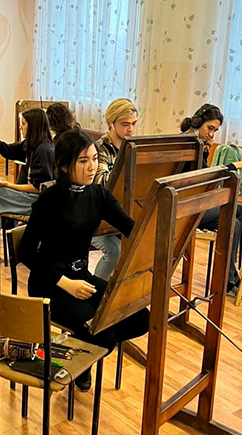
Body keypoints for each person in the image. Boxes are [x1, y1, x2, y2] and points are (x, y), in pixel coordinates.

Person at [19, 129, 149, 391]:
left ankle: (83, 354)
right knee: (104, 336)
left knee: (140, 318)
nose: (92, 167)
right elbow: (26, 253)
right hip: (50, 285)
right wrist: (65, 283)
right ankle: (83, 354)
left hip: (82, 279)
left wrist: (161, 230)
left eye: (94, 158)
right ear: (64, 166)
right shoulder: (49, 200)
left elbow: (132, 229)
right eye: (83, 161)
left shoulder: (98, 195)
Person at [181, 104, 242, 300]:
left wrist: (205, 151)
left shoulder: (198, 144)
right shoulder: (187, 144)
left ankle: (228, 275)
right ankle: (228, 278)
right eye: (210, 128)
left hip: (194, 203)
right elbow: (203, 176)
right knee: (235, 216)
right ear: (197, 122)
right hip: (185, 208)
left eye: (215, 130)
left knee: (237, 217)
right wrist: (233, 166)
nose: (211, 134)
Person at [0, 108, 54, 215]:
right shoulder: (32, 145)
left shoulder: (43, 150)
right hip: (30, 196)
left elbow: (38, 188)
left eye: (23, 124)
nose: (20, 127)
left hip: (37, 202)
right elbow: (8, 150)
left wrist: (7, 184)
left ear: (33, 127)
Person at [91, 98, 139, 280]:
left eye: (134, 123)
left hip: (121, 211)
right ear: (111, 123)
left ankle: (123, 289)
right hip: (97, 214)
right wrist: (126, 170)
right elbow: (101, 183)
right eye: (125, 124)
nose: (131, 129)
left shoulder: (131, 146)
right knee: (114, 250)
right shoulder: (100, 148)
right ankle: (97, 291)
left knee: (142, 241)